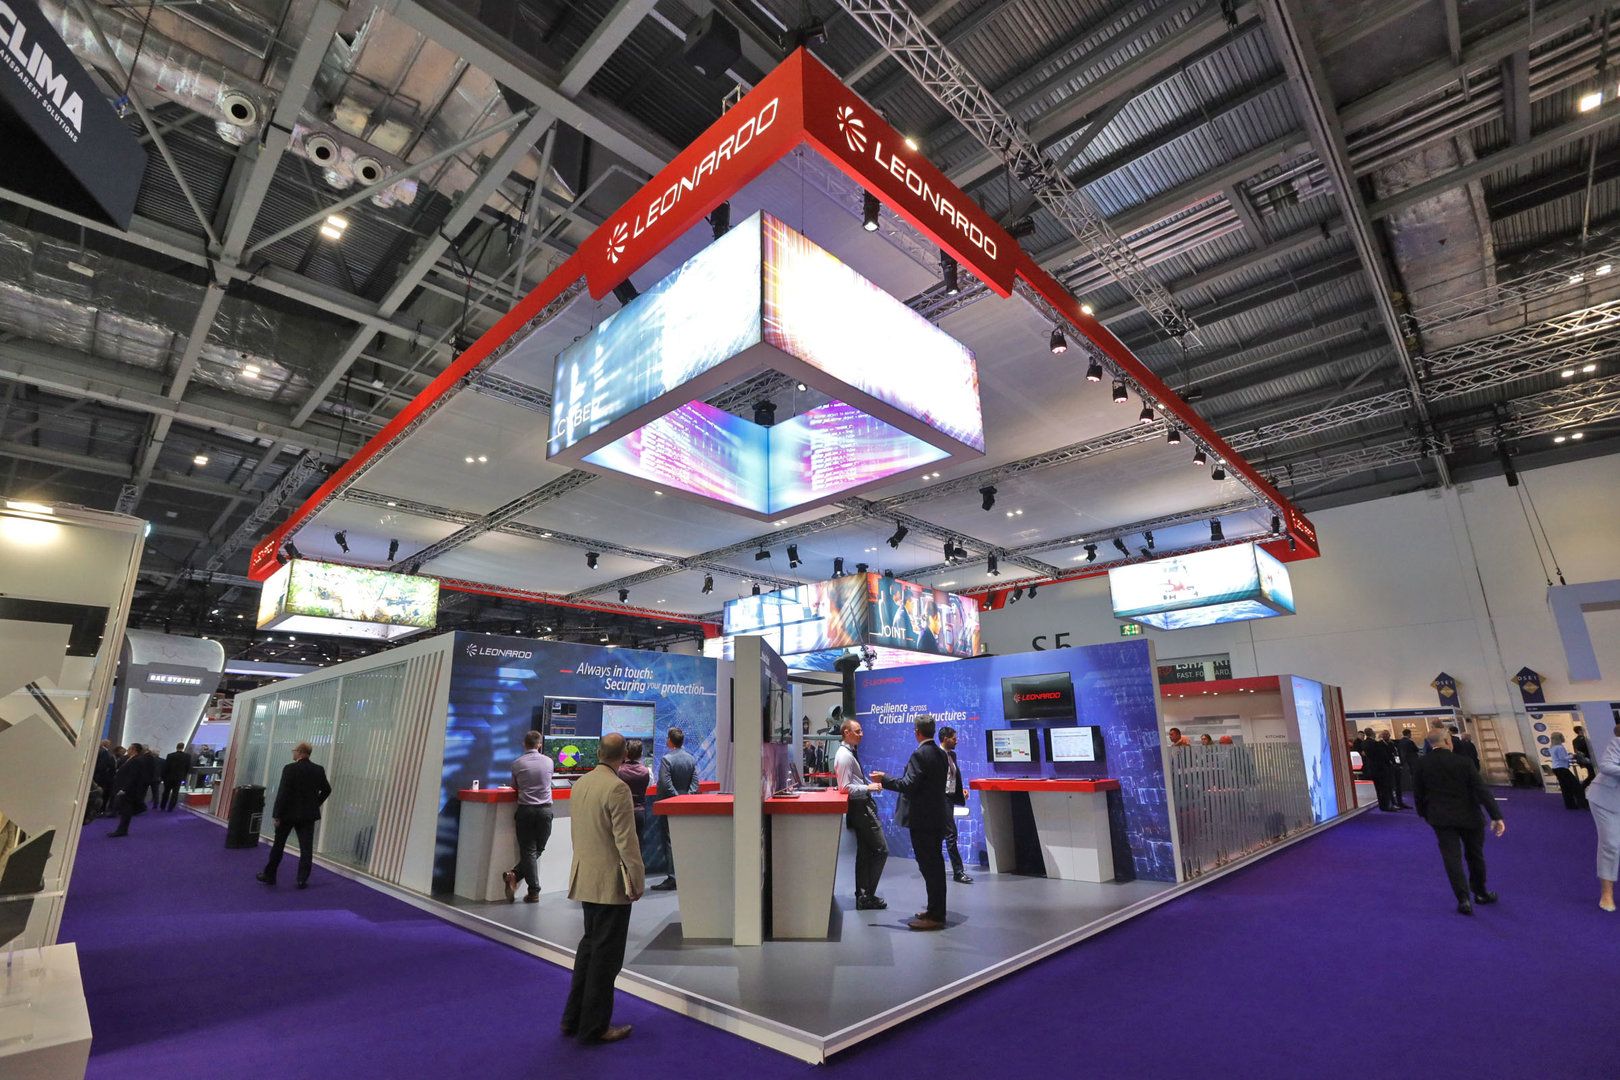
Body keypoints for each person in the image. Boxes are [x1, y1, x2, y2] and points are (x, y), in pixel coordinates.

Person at [561, 732, 644, 1045]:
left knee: (588, 950)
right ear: (623, 755)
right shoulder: (617, 788)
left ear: (598, 752)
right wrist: (636, 879)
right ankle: (595, 1027)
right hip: (611, 884)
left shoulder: (580, 784)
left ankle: (572, 1019)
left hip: (586, 879)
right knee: (605, 958)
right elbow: (626, 841)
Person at [1413, 725, 1505, 915]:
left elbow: (1418, 794)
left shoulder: (1422, 764)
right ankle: (1480, 893)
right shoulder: (1464, 762)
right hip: (1470, 816)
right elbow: (1481, 790)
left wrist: (1425, 814)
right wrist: (1495, 815)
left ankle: (1463, 899)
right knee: (1475, 855)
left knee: (1451, 859)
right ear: (1448, 741)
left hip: (1441, 819)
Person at [880, 716, 952, 930]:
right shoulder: (940, 753)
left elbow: (908, 784)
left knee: (930, 867)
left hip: (922, 821)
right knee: (934, 866)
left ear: (917, 732)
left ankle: (936, 916)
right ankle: (934, 910)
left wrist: (883, 779)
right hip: (935, 818)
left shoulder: (919, 755)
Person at [256, 742, 332, 889]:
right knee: (306, 848)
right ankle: (302, 879)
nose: (293, 753)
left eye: (294, 750)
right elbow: (327, 789)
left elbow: (283, 793)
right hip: (307, 815)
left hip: (287, 814)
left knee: (278, 845)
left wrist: (277, 815)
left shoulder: (290, 769)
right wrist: (315, 804)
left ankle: (270, 875)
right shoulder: (318, 769)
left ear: (301, 752)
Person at [834, 718, 888, 910]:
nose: (861, 734)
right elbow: (845, 787)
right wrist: (868, 787)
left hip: (862, 806)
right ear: (846, 733)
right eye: (857, 731)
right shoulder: (845, 756)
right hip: (861, 808)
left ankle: (864, 896)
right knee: (881, 850)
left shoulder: (848, 753)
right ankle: (867, 895)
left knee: (865, 852)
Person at [502, 731, 555, 904]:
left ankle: (515, 876)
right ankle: (531, 890)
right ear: (539, 744)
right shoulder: (549, 761)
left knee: (529, 851)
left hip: (526, 811)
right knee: (538, 849)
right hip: (545, 811)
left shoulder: (517, 763)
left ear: (524, 744)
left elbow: (514, 786)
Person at [650, 728, 698, 892]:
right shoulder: (691, 758)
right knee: (684, 840)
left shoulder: (667, 759)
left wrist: (676, 799)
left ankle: (673, 878)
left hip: (670, 805)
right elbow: (695, 782)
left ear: (670, 741)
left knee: (670, 841)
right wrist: (686, 798)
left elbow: (665, 783)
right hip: (686, 805)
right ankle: (685, 874)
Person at [1587, 722, 1620, 912]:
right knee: (1611, 844)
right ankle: (1606, 893)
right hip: (1606, 799)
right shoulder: (1618, 742)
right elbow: (1606, 766)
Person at [938, 726, 973, 885]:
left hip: (950, 797)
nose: (956, 741)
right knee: (951, 833)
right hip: (940, 799)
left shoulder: (952, 755)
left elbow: (952, 777)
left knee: (942, 833)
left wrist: (960, 791)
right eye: (954, 738)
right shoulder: (936, 755)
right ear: (945, 739)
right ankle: (958, 872)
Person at [107, 742, 156, 837]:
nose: (127, 750)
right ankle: (122, 829)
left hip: (129, 790)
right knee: (125, 809)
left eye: (129, 749)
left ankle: (122, 830)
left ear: (134, 750)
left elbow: (132, 776)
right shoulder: (132, 759)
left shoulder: (136, 760)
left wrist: (124, 789)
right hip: (126, 788)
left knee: (126, 810)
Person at [617, 739, 651, 850]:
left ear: (625, 753)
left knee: (621, 845)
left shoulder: (618, 771)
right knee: (638, 846)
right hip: (639, 813)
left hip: (621, 813)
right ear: (641, 754)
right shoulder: (647, 771)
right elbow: (649, 786)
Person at [1549, 732, 1588, 810]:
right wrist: (1574, 755)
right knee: (1576, 786)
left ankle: (1570, 805)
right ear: (1559, 738)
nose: (1564, 738)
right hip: (1562, 769)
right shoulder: (1559, 747)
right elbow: (1563, 758)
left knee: (1565, 787)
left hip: (1556, 768)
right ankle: (1583, 804)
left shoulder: (1552, 747)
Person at [1380, 731, 1412, 809]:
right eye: (1384, 735)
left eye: (1387, 734)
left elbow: (1397, 754)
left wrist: (1399, 764)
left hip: (1396, 766)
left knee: (1398, 785)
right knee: (1390, 786)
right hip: (1387, 768)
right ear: (1382, 736)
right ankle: (1393, 803)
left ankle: (1400, 802)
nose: (1386, 736)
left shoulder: (1393, 743)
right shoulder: (1380, 745)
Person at [161, 743, 190, 811]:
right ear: (183, 747)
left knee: (166, 792)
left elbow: (166, 767)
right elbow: (187, 767)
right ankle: (171, 807)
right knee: (175, 793)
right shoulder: (187, 756)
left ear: (176, 747)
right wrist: (184, 776)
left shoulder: (170, 755)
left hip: (169, 777)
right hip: (179, 777)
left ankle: (163, 806)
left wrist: (163, 776)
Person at [1396, 728, 1421, 802]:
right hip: (1412, 761)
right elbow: (1416, 749)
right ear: (1409, 734)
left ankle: (1410, 787)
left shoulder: (1400, 742)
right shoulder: (1409, 742)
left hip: (1404, 762)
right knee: (1414, 775)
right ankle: (1415, 788)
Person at [93, 739, 117, 813]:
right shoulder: (105, 753)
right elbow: (102, 767)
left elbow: (100, 766)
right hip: (101, 778)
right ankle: (99, 810)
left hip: (98, 777)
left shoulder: (101, 752)